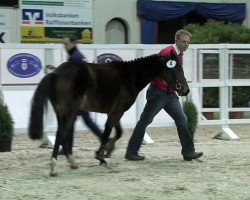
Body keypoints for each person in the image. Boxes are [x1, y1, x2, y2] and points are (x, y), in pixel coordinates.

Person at [125, 29, 203, 161]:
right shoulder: (168, 53)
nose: (186, 44)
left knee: (181, 119)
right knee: (145, 121)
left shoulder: (178, 53)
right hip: (158, 92)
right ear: (176, 40)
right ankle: (131, 152)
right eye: (184, 42)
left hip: (168, 93)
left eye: (188, 42)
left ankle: (189, 152)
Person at [62, 35, 102, 143]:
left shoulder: (75, 57)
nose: (64, 46)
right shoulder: (76, 56)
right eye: (64, 44)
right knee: (79, 121)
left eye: (66, 44)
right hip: (79, 95)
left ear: (73, 43)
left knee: (73, 121)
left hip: (78, 96)